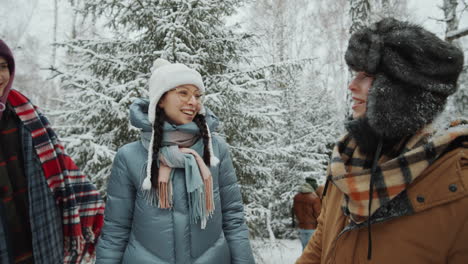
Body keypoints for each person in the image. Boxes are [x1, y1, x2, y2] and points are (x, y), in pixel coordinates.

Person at [296, 18, 468, 264]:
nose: (351, 86)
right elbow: (321, 242)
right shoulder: (345, 161)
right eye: (355, 74)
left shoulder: (458, 182)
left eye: (366, 76)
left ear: (403, 92)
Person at [96, 59, 255, 263]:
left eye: (197, 95)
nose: (193, 102)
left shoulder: (215, 151)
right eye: (183, 93)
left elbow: (233, 219)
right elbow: (116, 229)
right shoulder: (130, 157)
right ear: (160, 99)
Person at [0, 39, 105, 264]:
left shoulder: (24, 112)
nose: (0, 76)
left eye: (3, 67)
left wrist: (90, 202)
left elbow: (59, 162)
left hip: (35, 226)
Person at [292, 177, 323, 250]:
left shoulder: (297, 197)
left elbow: (294, 211)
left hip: (301, 227)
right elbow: (318, 215)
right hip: (312, 227)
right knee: (311, 250)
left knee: (304, 249)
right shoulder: (315, 198)